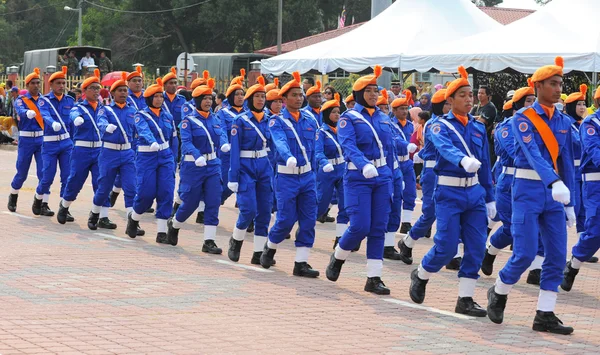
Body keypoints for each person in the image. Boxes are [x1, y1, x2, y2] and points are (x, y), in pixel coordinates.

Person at [487, 57, 575, 334]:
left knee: (558, 257)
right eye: (552, 84)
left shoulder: (563, 120)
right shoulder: (522, 120)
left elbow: (567, 162)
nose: (558, 89)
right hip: (527, 191)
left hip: (554, 196)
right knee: (524, 254)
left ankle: (545, 314)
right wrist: (554, 182)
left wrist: (571, 202)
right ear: (537, 86)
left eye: (560, 84)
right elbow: (532, 155)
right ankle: (499, 290)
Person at [409, 66, 495, 317]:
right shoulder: (439, 126)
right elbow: (445, 148)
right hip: (449, 192)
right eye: (463, 95)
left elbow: (486, 165)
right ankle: (422, 273)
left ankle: (465, 298)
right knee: (446, 246)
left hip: (475, 194)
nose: (469, 99)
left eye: (471, 95)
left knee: (477, 247)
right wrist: (462, 161)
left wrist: (490, 197)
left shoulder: (478, 128)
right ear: (449, 100)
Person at [325, 65, 395, 294]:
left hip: (382, 176)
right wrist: (364, 164)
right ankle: (338, 256)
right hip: (358, 175)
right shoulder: (349, 118)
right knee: (360, 225)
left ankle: (373, 278)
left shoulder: (384, 118)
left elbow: (390, 148)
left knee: (378, 227)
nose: (374, 94)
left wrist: (395, 177)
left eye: (376, 90)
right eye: (369, 91)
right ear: (358, 94)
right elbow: (348, 146)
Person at [481, 80, 546, 283]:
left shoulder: (543, 124)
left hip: (538, 180)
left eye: (534, 100)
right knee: (512, 228)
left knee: (541, 224)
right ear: (517, 104)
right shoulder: (506, 127)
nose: (532, 104)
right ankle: (490, 251)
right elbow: (517, 152)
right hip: (511, 180)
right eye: (528, 101)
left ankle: (536, 269)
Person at [260, 71, 320, 278]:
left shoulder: (309, 120)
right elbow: (280, 142)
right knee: (285, 220)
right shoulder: (277, 122)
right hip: (287, 175)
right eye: (293, 95)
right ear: (284, 100)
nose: (298, 98)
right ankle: (270, 246)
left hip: (307, 177)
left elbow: (316, 146)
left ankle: (301, 263)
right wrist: (287, 157)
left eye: (300, 94)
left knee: (309, 219)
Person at [166, 79, 225, 252]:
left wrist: (225, 146)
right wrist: (197, 156)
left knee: (213, 201)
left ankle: (209, 241)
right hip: (193, 165)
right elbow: (186, 143)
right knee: (190, 202)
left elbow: (221, 137)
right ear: (197, 100)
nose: (208, 101)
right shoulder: (188, 121)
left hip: (213, 165)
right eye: (204, 98)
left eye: (210, 98)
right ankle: (175, 224)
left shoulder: (215, 119)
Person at [86, 72, 143, 235]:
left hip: (127, 153)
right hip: (109, 152)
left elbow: (138, 130)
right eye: (120, 91)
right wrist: (106, 127)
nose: (123, 93)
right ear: (112, 93)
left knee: (131, 187)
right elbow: (101, 122)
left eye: (125, 90)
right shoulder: (106, 110)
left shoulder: (133, 111)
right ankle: (95, 213)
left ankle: (133, 223)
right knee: (104, 188)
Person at [398, 89, 451, 265]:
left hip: (451, 172)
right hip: (433, 170)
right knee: (430, 213)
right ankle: (408, 242)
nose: (452, 106)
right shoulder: (433, 124)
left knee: (454, 211)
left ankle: (454, 254)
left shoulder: (456, 123)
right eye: (448, 104)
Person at [227, 77, 275, 264]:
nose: (261, 100)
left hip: (263, 167)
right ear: (249, 99)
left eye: (263, 96)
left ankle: (258, 253)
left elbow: (273, 148)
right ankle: (236, 240)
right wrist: (233, 176)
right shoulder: (240, 121)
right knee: (248, 209)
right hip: (245, 167)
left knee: (264, 211)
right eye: (257, 96)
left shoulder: (270, 120)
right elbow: (235, 151)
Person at [125, 78, 175, 244]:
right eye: (156, 96)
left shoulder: (168, 116)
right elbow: (143, 130)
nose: (159, 99)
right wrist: (152, 141)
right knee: (146, 193)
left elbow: (173, 138)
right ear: (149, 98)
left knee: (166, 192)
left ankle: (161, 232)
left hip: (166, 157)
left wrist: (174, 156)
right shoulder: (141, 115)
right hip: (147, 156)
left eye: (161, 96)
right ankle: (134, 218)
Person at [57, 70, 109, 224]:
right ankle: (64, 206)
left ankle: (102, 216)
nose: (96, 91)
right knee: (75, 180)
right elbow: (72, 115)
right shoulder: (78, 108)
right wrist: (77, 119)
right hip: (82, 150)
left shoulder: (104, 108)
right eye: (92, 88)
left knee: (102, 182)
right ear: (85, 91)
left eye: (97, 88)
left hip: (99, 150)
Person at [562, 85, 600, 291]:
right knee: (594, 230)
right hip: (596, 183)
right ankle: (573, 265)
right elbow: (595, 152)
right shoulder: (591, 123)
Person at [35, 66, 75, 218]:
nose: (61, 86)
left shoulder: (70, 101)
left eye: (63, 83)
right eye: (58, 83)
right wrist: (52, 123)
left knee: (67, 176)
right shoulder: (44, 101)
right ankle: (39, 200)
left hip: (66, 144)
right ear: (51, 85)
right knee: (47, 176)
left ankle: (64, 207)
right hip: (50, 144)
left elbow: (72, 122)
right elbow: (44, 115)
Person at [7, 68, 44, 214]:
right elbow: (20, 110)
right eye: (33, 83)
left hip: (41, 139)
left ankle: (40, 202)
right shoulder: (21, 100)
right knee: (22, 172)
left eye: (38, 83)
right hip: (26, 139)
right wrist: (26, 113)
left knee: (44, 172)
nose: (36, 85)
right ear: (27, 85)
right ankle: (13, 195)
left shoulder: (44, 100)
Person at [315, 93, 348, 249]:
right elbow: (318, 151)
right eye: (333, 112)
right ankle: (307, 224)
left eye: (338, 112)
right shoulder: (321, 132)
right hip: (327, 170)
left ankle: (340, 238)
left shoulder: (342, 130)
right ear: (327, 115)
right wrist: (323, 162)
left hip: (342, 169)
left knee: (345, 204)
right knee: (322, 203)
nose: (337, 115)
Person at [390, 90, 418, 235]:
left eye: (406, 108)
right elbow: (395, 140)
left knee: (410, 192)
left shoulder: (409, 125)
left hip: (407, 162)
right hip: (395, 162)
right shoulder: (390, 125)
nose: (405, 111)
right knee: (395, 194)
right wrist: (406, 146)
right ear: (394, 110)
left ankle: (406, 223)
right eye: (401, 109)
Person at [216, 71, 245, 207]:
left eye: (242, 94)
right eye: (237, 94)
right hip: (228, 153)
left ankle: (243, 206)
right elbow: (220, 129)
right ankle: (217, 199)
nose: (240, 97)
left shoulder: (247, 112)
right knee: (228, 183)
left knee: (246, 182)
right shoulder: (222, 112)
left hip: (244, 152)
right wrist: (224, 144)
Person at [564, 85, 587, 234]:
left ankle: (581, 249)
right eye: (578, 104)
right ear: (571, 106)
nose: (582, 107)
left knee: (583, 210)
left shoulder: (583, 124)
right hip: (570, 171)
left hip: (582, 171)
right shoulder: (566, 123)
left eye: (584, 104)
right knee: (573, 208)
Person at [161, 67, 186, 166]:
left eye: (175, 83)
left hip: (177, 134)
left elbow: (186, 117)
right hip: (164, 133)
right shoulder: (159, 98)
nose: (174, 85)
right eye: (171, 83)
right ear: (164, 85)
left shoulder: (182, 100)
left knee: (175, 157)